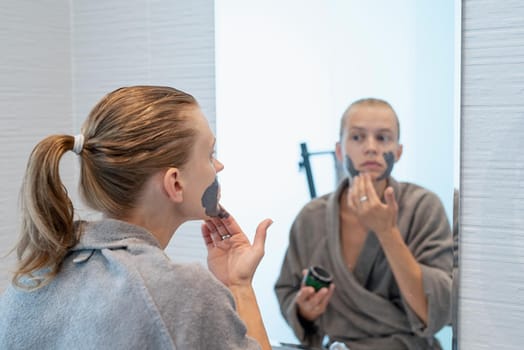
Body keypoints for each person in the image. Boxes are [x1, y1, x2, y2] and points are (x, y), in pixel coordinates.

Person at [0, 85, 273, 350]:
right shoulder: (184, 292)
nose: (219, 166)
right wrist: (239, 287)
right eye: (210, 154)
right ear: (175, 184)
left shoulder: (32, 278)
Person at [274, 98, 453, 350]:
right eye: (357, 138)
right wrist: (304, 310)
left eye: (383, 138)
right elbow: (287, 290)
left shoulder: (423, 208)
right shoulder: (311, 217)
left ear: (399, 151)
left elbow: (436, 309)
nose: (371, 148)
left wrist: (387, 231)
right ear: (339, 150)